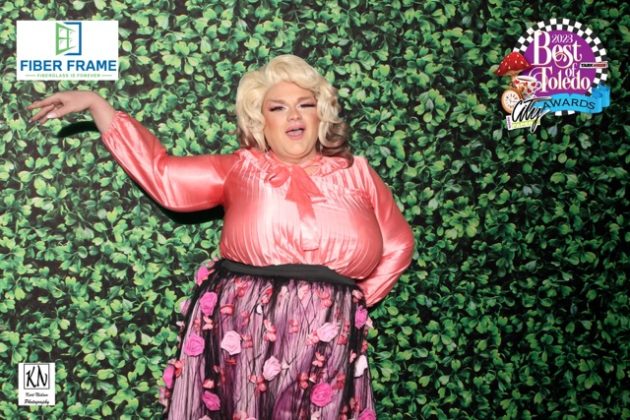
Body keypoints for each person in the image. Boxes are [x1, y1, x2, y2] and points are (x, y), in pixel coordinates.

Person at [28, 55, 414, 420]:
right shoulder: (240, 169)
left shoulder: (357, 173)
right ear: (260, 121)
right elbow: (164, 176)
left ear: (321, 115)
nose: (294, 115)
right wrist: (97, 106)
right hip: (244, 331)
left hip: (330, 332)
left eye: (305, 105)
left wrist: (349, 303)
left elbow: (398, 243)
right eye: (278, 107)